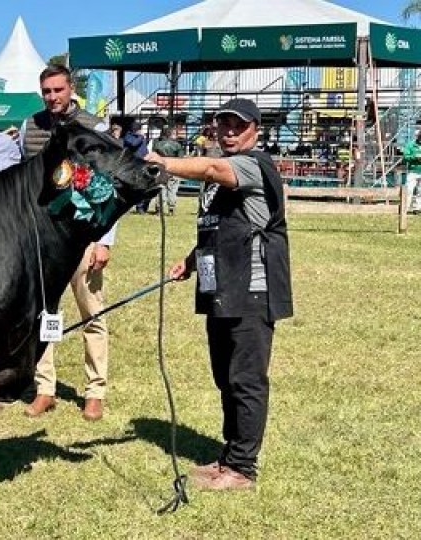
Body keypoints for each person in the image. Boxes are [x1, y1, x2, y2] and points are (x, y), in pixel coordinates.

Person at [144, 98, 293, 491]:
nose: (228, 131)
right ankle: (229, 457)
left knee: (246, 379)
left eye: (237, 125)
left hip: (251, 290)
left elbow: (210, 167)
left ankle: (243, 468)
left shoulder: (252, 164)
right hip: (221, 288)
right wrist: (190, 261)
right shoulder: (222, 175)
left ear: (255, 130)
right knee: (225, 377)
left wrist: (161, 162)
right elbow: (221, 226)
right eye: (222, 123)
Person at [20, 64, 115, 422]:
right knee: (45, 315)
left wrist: (105, 240)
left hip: (85, 235)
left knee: (93, 312)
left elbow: (111, 184)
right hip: (42, 239)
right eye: (46, 91)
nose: (52, 97)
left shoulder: (95, 127)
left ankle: (95, 391)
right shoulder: (31, 128)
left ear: (70, 88)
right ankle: (45, 388)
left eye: (58, 90)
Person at [151, 127, 185, 216]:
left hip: (161, 168)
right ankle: (171, 209)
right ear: (171, 134)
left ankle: (159, 209)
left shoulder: (157, 144)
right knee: (172, 189)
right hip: (173, 169)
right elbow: (181, 159)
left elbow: (154, 157)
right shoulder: (177, 145)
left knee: (161, 189)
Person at [125, 121, 152, 213]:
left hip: (144, 163)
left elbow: (143, 147)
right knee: (137, 185)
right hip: (135, 164)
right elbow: (134, 144)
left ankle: (144, 205)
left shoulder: (140, 137)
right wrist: (141, 136)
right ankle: (139, 206)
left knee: (147, 186)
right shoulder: (128, 136)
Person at [401, 131, 421, 214]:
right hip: (413, 171)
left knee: (420, 191)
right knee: (409, 190)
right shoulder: (410, 145)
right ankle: (405, 208)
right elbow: (405, 157)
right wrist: (415, 157)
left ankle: (417, 208)